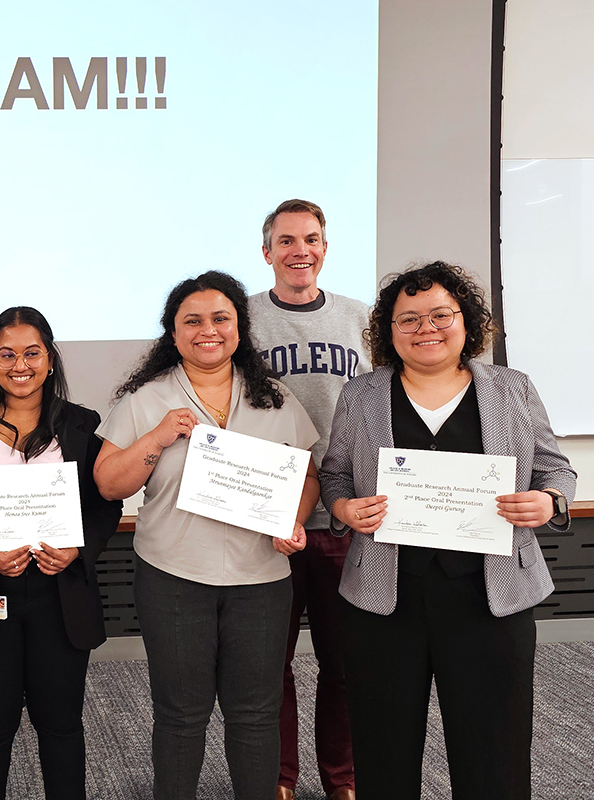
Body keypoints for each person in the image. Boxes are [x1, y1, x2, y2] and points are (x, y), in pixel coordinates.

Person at [319, 261, 575, 800]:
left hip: (491, 596)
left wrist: (548, 500)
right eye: (407, 319)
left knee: (494, 746)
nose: (426, 328)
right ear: (388, 332)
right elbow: (335, 473)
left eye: (441, 314)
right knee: (383, 744)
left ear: (467, 321)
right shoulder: (361, 395)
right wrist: (343, 509)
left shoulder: (512, 388)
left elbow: (556, 469)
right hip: (386, 598)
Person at [93, 271, 321, 800]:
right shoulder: (146, 399)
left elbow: (308, 475)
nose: (207, 331)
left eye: (221, 318)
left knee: (256, 714)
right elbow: (108, 484)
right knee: (180, 714)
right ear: (172, 334)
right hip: (173, 576)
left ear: (240, 326)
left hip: (261, 579)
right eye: (191, 321)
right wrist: (158, 435)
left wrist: (295, 518)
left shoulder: (276, 399)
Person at [0, 307, 123, 800]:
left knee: (62, 728)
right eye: (6, 354)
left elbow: (104, 506)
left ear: (50, 359)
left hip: (60, 597)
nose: (19, 365)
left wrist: (77, 550)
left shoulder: (81, 425)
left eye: (32, 353)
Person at [249, 198, 369, 800]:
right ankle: (280, 780)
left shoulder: (361, 319)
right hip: (267, 517)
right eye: (288, 240)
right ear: (265, 251)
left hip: (345, 517)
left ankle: (341, 781)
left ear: (325, 248)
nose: (302, 250)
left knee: (343, 665)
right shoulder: (240, 320)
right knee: (271, 668)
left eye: (313, 239)